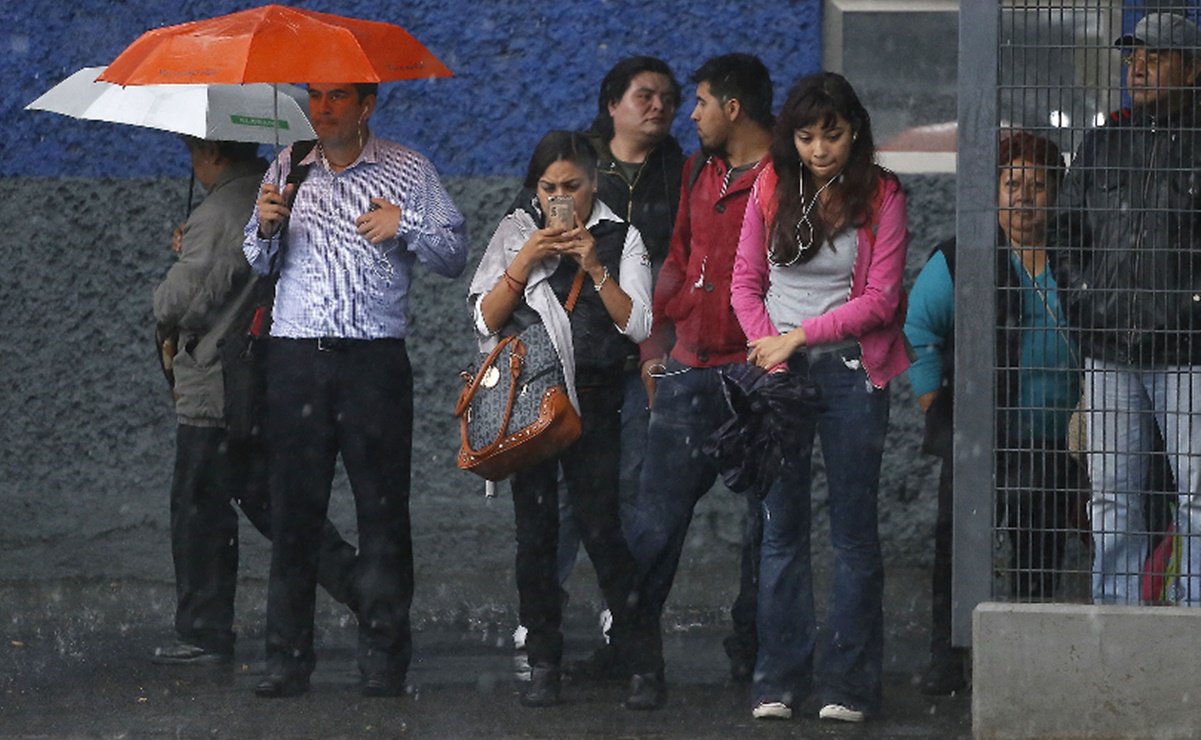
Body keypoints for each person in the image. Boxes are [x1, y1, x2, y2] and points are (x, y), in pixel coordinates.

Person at [242, 82, 468, 698]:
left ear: (366, 106)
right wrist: (263, 229)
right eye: (315, 95)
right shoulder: (288, 165)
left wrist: (407, 223)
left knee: (384, 513)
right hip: (295, 360)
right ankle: (287, 659)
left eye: (338, 97)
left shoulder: (407, 167)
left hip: (373, 363)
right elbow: (256, 261)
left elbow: (454, 253)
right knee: (294, 514)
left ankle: (384, 659)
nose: (322, 108)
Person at [731, 72, 910, 723]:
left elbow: (881, 300)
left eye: (830, 134)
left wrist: (798, 336)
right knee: (779, 530)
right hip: (778, 373)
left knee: (853, 535)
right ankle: (776, 679)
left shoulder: (881, 193)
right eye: (805, 137)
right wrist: (767, 346)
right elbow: (744, 284)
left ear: (854, 130)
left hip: (850, 373)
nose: (818, 149)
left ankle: (849, 684)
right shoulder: (770, 186)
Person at [466, 130, 661, 709]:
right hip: (531, 401)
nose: (559, 199)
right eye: (548, 187)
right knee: (536, 534)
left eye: (571, 186)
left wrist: (594, 267)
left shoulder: (622, 236)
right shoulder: (514, 231)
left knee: (604, 531)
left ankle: (643, 662)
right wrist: (524, 262)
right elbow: (484, 319)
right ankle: (545, 662)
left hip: (596, 400)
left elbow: (641, 325)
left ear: (594, 182)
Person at [151, 136, 358, 666]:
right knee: (277, 505)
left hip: (215, 388)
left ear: (213, 152)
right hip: (261, 379)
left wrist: (178, 267)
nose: (194, 167)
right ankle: (363, 588)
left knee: (199, 510)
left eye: (194, 155)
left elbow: (184, 302)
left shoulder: (220, 209)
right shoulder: (277, 195)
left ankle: (204, 630)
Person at [618, 53, 775, 699]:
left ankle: (754, 652)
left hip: (755, 374)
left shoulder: (782, 178)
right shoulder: (697, 169)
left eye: (701, 101)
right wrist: (658, 344)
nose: (691, 113)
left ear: (732, 108)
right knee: (653, 527)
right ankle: (639, 663)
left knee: (766, 529)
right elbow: (678, 257)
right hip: (687, 371)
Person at [905, 132, 1083, 695]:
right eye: (1012, 183)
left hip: (1055, 438)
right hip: (980, 437)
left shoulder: (1079, 258)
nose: (1024, 196)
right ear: (994, 190)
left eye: (1038, 184)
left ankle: (1025, 659)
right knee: (960, 548)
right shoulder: (963, 256)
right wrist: (935, 399)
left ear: (1058, 193)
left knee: (1040, 547)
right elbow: (919, 331)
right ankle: (948, 658)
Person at [1049, 12, 1201, 606]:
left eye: (1155, 58)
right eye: (1132, 58)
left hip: (1189, 351)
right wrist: (1085, 305)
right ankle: (1117, 619)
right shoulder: (1105, 141)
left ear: (1192, 69)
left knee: (1195, 490)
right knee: (1111, 492)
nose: (1137, 68)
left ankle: (1193, 615)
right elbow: (1065, 235)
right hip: (1109, 349)